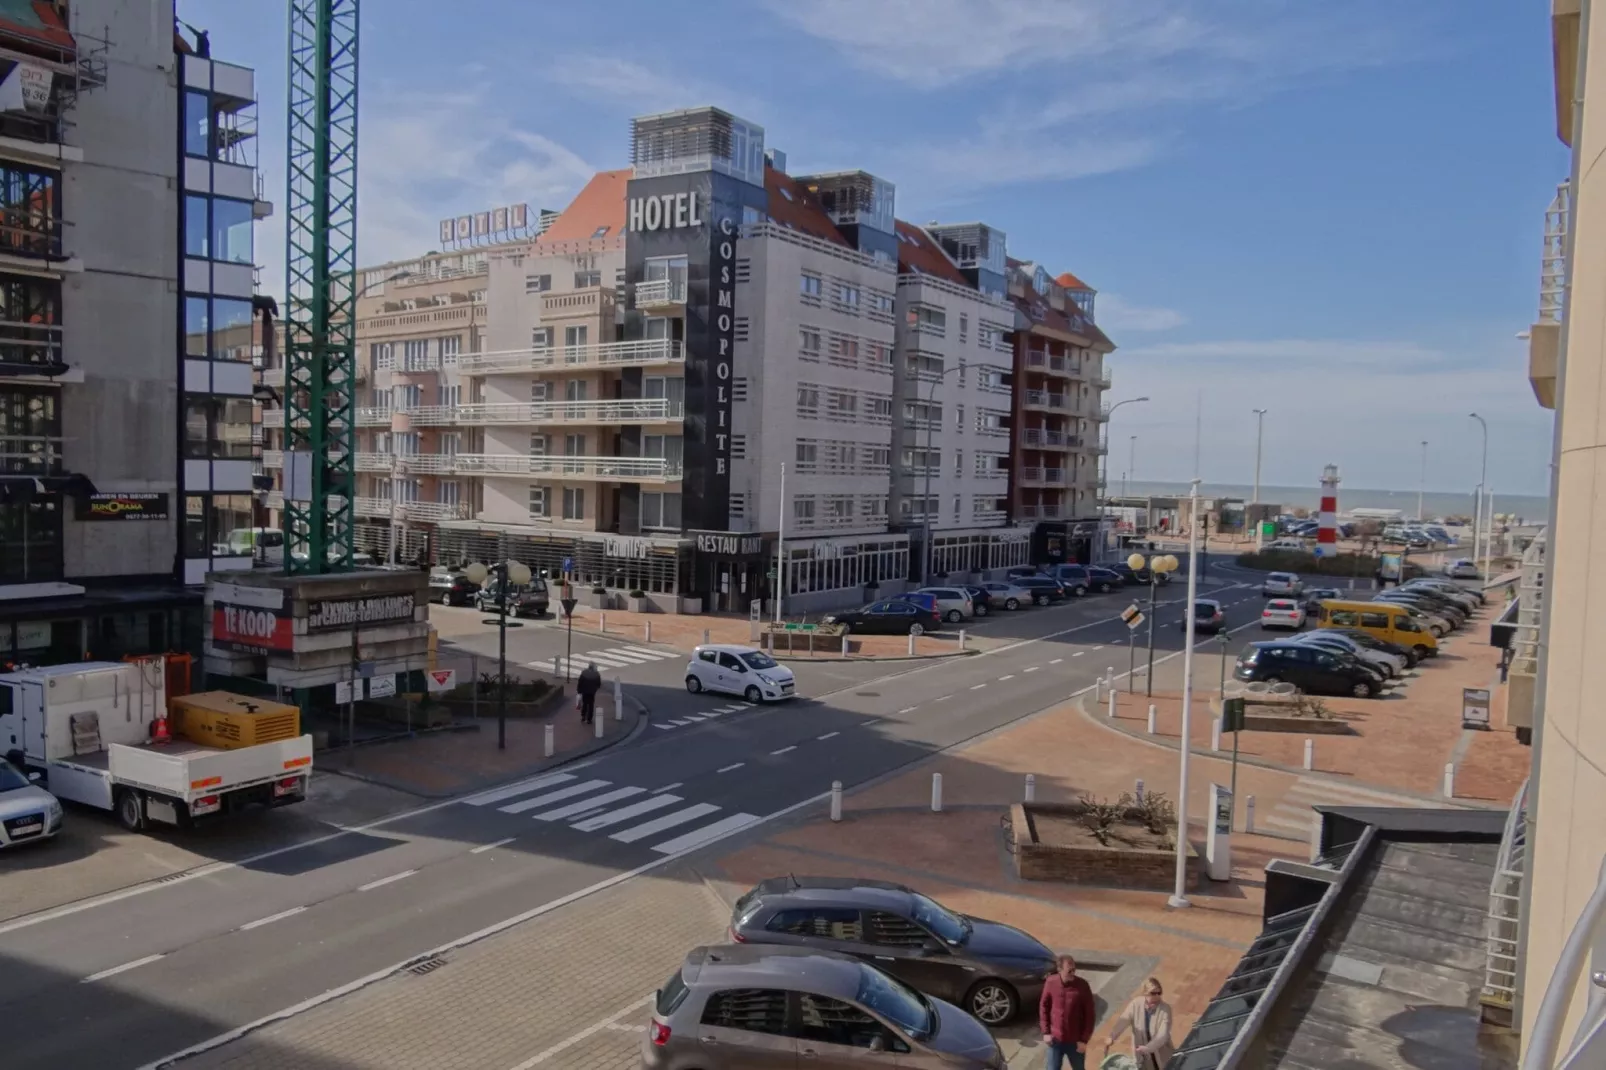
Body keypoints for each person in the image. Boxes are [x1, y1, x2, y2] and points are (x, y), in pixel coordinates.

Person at [1039, 953, 1095, 1070]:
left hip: (1075, 1042)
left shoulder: (1082, 986)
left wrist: (1084, 1040)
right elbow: (1044, 1006)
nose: (1073, 973)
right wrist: (1046, 1032)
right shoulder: (1051, 982)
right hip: (1055, 1040)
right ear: (1059, 969)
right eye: (1069, 970)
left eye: (1074, 969)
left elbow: (1090, 1014)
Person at [1105, 977, 1174, 1070]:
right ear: (1145, 993)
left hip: (1161, 1053)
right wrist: (1112, 1036)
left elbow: (1163, 1034)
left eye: (1159, 992)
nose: (1157, 996)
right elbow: (1124, 1020)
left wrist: (1148, 1048)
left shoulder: (1165, 1009)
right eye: (1153, 993)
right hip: (1143, 1055)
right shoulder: (1136, 1004)